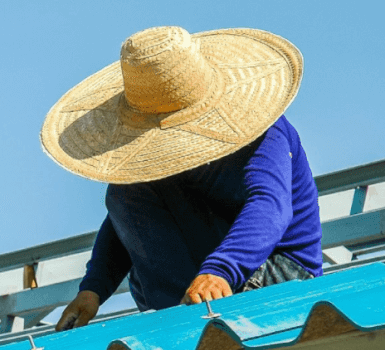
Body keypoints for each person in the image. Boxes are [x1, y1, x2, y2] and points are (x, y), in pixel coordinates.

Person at [39, 26, 322, 331]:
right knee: (124, 193)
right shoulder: (149, 157)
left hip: (276, 268)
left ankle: (187, 318)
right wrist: (93, 289)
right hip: (191, 284)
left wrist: (220, 271)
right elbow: (124, 221)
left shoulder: (267, 133)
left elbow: (269, 206)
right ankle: (177, 321)